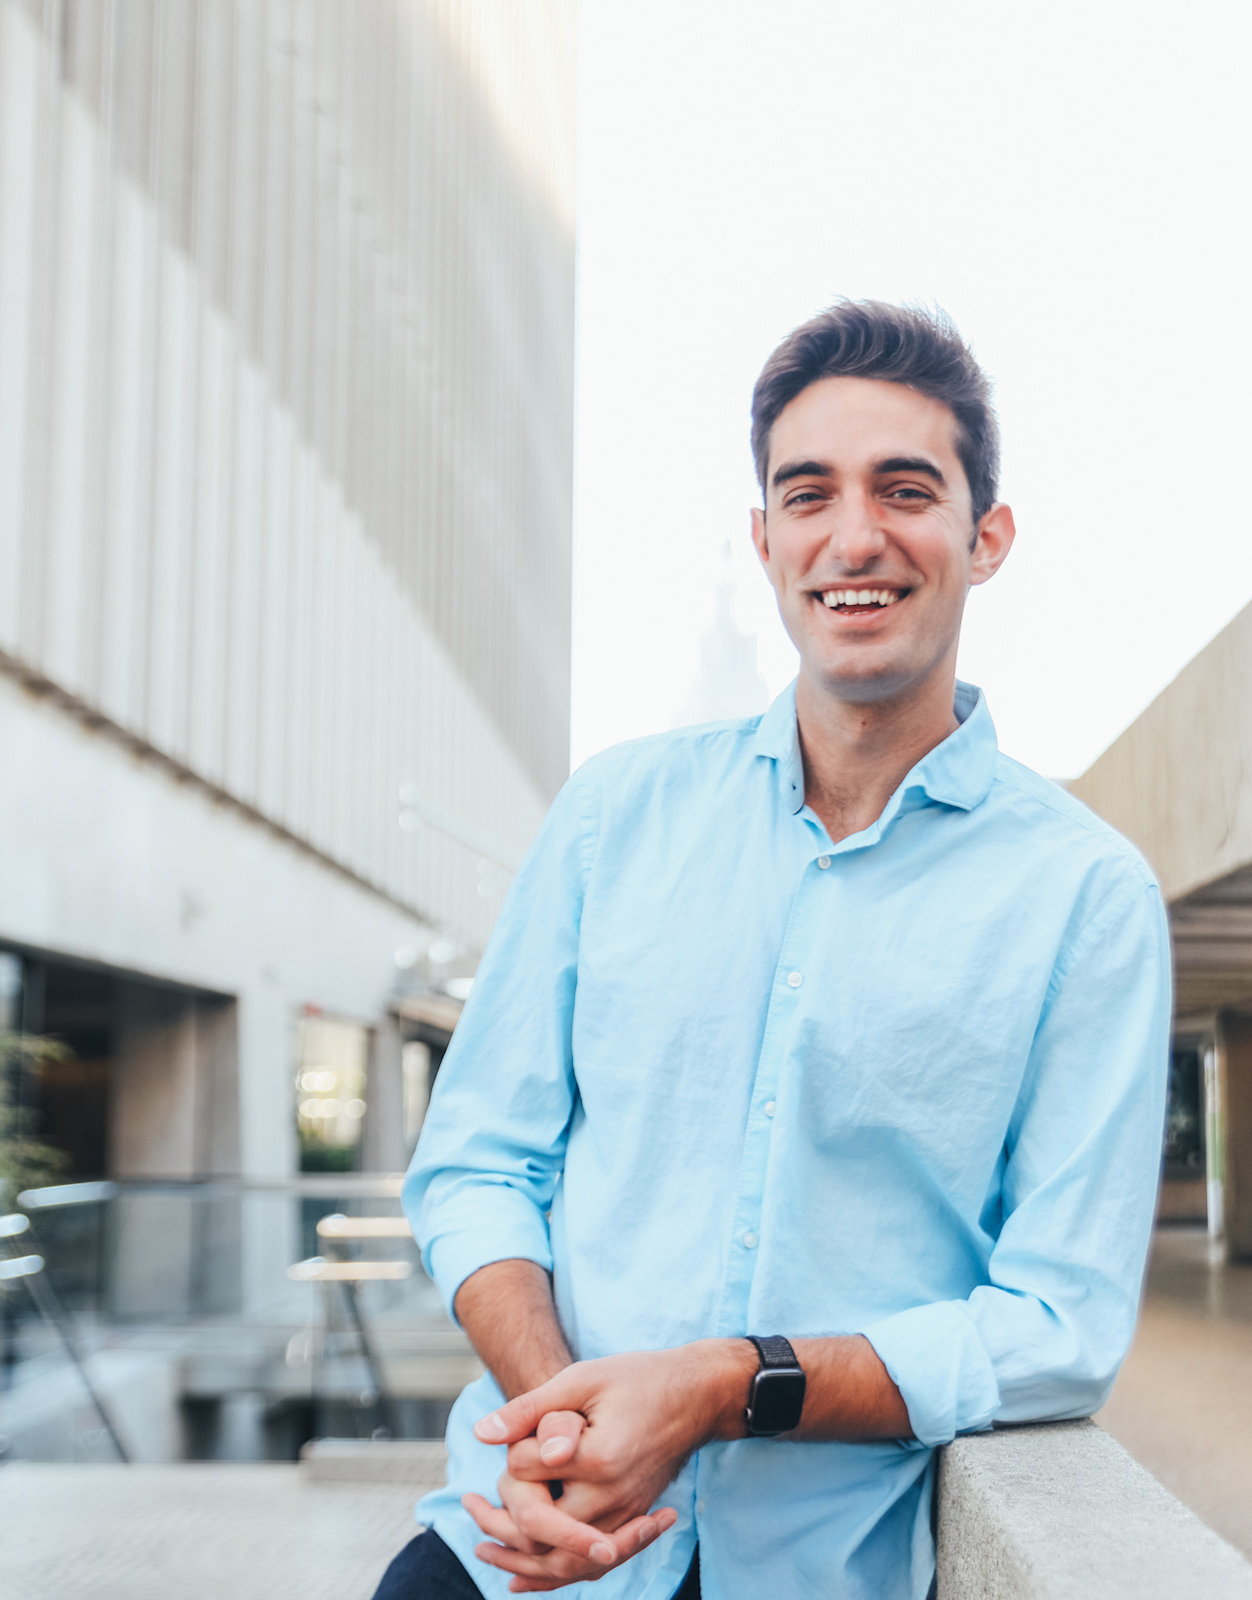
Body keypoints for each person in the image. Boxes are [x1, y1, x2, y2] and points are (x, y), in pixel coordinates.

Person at [382, 300, 1170, 1599]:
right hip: (510, 1552)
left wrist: (717, 1386)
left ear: (988, 538)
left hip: (816, 1574)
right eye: (809, 495)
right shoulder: (607, 821)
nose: (854, 536)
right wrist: (564, 1419)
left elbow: (1059, 1328)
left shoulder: (1085, 898)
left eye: (905, 490)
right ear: (765, 539)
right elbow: (476, 1163)